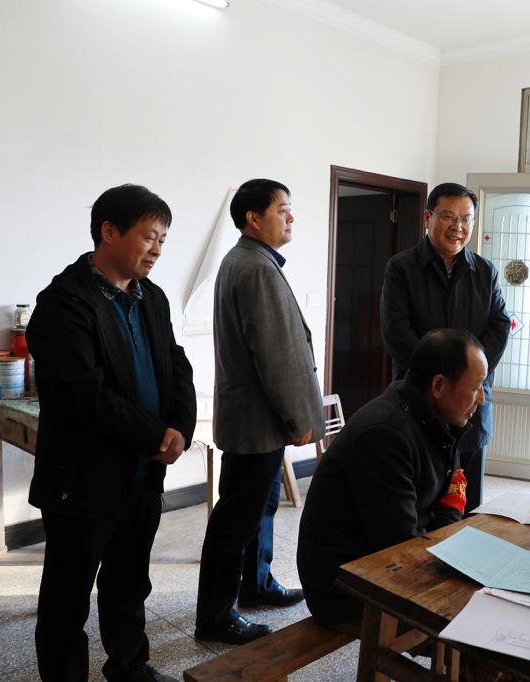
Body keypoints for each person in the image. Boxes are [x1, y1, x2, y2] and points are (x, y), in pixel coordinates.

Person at [27, 184, 196, 682]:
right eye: (149, 236)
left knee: (129, 580)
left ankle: (129, 666)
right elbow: (83, 395)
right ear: (109, 231)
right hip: (83, 477)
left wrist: (180, 426)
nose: (157, 249)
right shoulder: (64, 302)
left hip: (141, 473)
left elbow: (176, 364)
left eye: (163, 239)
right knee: (68, 596)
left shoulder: (151, 297)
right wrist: (156, 436)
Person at [195, 179, 324, 645]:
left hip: (256, 419)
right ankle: (215, 616)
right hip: (258, 422)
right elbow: (277, 355)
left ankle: (256, 583)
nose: (291, 217)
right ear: (253, 218)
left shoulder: (248, 260)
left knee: (259, 508)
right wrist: (298, 418)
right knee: (236, 519)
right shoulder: (255, 267)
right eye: (282, 208)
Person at [297, 329, 485, 626]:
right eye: (476, 387)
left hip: (386, 564)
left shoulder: (437, 420)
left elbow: (451, 491)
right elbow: (400, 548)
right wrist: (449, 548)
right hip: (345, 586)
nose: (482, 399)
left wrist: (447, 540)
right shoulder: (385, 435)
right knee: (478, 618)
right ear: (438, 385)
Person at [380, 182, 509, 512]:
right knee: (420, 505)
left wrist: (466, 380)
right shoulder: (401, 268)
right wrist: (438, 382)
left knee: (467, 503)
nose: (458, 227)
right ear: (428, 218)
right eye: (449, 216)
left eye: (466, 219)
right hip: (420, 405)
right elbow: (396, 332)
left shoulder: (485, 272)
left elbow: (499, 327)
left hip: (471, 406)